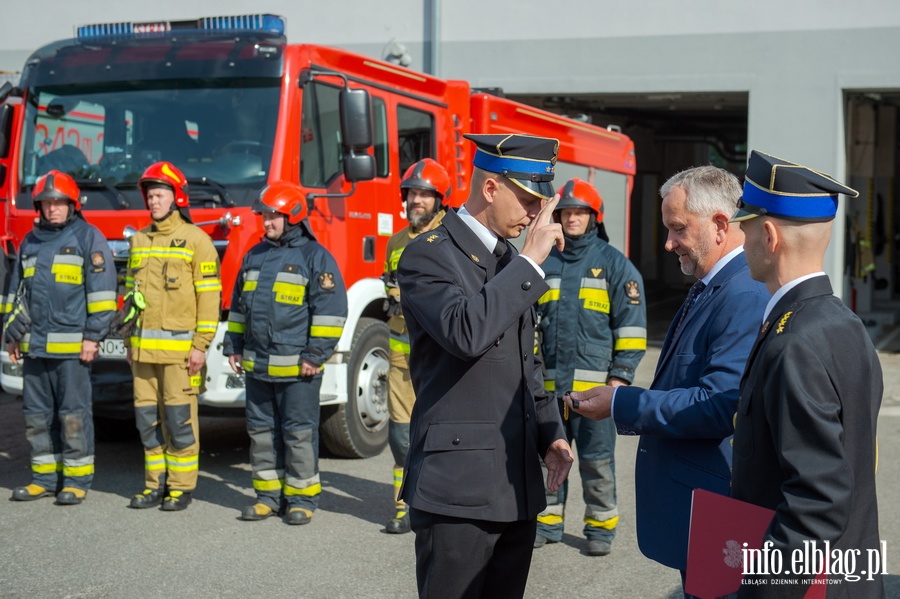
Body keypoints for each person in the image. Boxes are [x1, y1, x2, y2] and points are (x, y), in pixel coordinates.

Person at [563, 166, 769, 588]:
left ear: (719, 224)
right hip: (699, 506)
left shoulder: (743, 293)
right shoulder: (715, 284)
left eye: (677, 229)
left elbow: (719, 405)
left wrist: (621, 402)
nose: (668, 242)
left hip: (717, 506)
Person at [397, 133, 575, 599]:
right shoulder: (428, 252)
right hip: (458, 492)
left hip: (515, 485)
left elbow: (527, 367)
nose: (537, 214)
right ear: (491, 188)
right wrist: (531, 263)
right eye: (529, 199)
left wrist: (550, 431)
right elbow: (464, 333)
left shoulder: (508, 261)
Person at [730, 150, 883, 597]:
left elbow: (817, 501)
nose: (742, 244)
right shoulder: (844, 322)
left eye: (746, 230)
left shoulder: (793, 340)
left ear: (770, 236)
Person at [533, 178, 646, 556]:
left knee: (597, 462)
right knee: (551, 455)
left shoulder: (615, 265)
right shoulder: (543, 261)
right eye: (567, 211)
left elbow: (630, 331)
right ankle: (547, 523)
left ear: (593, 217)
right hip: (551, 390)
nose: (573, 217)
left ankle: (600, 529)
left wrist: (618, 380)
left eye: (581, 211)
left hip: (595, 394)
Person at [223, 182, 347, 525]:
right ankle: (267, 496)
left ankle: (302, 499)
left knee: (298, 435)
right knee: (261, 434)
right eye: (264, 216)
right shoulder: (254, 255)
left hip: (298, 370)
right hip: (258, 368)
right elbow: (238, 309)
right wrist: (233, 346)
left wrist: (314, 355)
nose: (266, 223)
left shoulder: (315, 257)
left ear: (292, 216)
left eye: (273, 216)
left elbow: (330, 312)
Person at [5, 170, 116, 505]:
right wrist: (10, 337)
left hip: (72, 350)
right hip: (34, 347)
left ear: (73, 205)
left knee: (72, 414)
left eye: (58, 203)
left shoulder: (88, 238)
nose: (52, 209)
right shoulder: (30, 241)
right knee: (37, 415)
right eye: (46, 203)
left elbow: (103, 294)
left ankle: (77, 480)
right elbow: (15, 292)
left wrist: (93, 337)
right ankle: (44, 478)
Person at [124, 161, 221, 512]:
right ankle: (154, 486)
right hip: (143, 354)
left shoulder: (197, 241)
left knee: (180, 424)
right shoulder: (138, 240)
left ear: (176, 198)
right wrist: (129, 343)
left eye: (160, 195)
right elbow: (130, 298)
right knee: (147, 423)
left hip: (181, 356)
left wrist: (200, 347)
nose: (153, 202)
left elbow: (210, 299)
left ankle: (180, 488)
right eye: (150, 196)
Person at [382, 158, 449, 535]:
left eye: (424, 194)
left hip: (439, 354)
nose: (416, 200)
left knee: (439, 431)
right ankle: (402, 506)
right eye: (412, 193)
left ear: (439, 199)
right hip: (400, 351)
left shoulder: (450, 237)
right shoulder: (395, 241)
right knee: (398, 434)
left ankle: (435, 502)